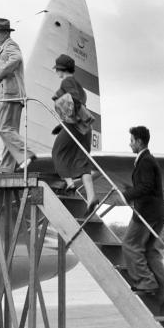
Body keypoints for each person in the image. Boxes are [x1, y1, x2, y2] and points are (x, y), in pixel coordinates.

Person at [121, 126, 164, 306]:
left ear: (138, 141)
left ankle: (146, 282)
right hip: (158, 213)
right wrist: (130, 190)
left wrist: (127, 195)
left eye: (131, 141)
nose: (130, 144)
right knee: (149, 251)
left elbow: (145, 187)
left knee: (130, 245)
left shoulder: (145, 161)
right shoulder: (147, 160)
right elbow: (148, 186)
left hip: (148, 213)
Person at [50, 54, 97, 214]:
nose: (56, 72)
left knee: (58, 152)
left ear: (61, 69)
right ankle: (91, 197)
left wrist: (65, 108)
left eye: (57, 69)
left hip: (75, 125)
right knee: (81, 161)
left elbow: (73, 101)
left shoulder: (67, 81)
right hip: (85, 127)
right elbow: (78, 99)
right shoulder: (79, 84)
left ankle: (70, 183)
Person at [0, 17, 35, 173]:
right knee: (10, 129)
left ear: (5, 33)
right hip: (12, 94)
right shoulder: (6, 46)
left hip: (9, 94)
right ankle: (6, 167)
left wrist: (0, 73)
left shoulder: (10, 45)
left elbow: (17, 58)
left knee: (4, 128)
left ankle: (25, 153)